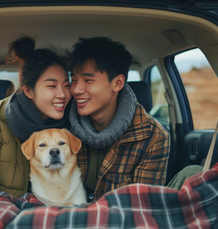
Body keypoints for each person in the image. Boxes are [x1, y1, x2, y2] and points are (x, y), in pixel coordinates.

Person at [0, 37, 71, 196]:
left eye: (66, 86)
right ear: (28, 91)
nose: (63, 94)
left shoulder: (75, 122)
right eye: (52, 86)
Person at [68, 37, 170, 201]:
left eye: (88, 80)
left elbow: (142, 207)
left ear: (117, 83)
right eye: (74, 80)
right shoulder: (61, 123)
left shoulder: (153, 136)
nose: (76, 90)